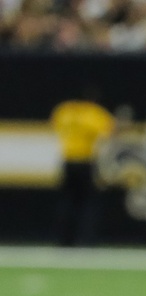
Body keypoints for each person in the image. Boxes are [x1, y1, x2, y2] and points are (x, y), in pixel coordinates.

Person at [50, 88, 115, 247]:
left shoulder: (64, 110)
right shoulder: (94, 113)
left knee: (67, 202)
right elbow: (110, 131)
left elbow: (55, 127)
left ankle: (64, 240)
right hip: (85, 162)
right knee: (87, 204)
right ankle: (86, 240)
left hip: (67, 161)